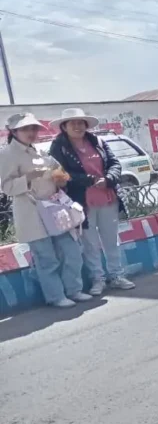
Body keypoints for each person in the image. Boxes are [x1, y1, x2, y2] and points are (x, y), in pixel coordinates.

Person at [0, 113, 89, 308]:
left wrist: (61, 179)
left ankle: (74, 290)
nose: (31, 132)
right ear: (14, 132)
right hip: (31, 212)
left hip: (54, 208)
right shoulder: (7, 154)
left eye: (33, 128)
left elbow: (58, 173)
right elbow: (6, 187)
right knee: (46, 258)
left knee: (72, 251)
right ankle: (56, 296)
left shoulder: (39, 152)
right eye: (25, 129)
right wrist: (28, 178)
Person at [49, 108, 135, 295]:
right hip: (81, 202)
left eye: (81, 123)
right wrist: (88, 179)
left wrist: (109, 179)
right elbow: (58, 173)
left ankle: (116, 275)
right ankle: (98, 279)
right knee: (90, 242)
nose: (77, 126)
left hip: (106, 197)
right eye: (73, 123)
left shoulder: (98, 142)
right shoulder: (59, 147)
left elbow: (114, 163)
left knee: (111, 239)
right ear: (64, 126)